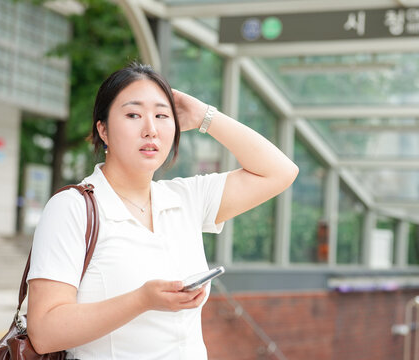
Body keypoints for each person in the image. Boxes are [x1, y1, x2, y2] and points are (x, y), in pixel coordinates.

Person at [26, 62, 298, 359]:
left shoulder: (185, 199)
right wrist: (141, 300)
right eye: (133, 115)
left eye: (161, 115)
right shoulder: (72, 207)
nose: (151, 130)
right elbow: (45, 332)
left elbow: (280, 171)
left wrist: (204, 116)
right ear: (102, 129)